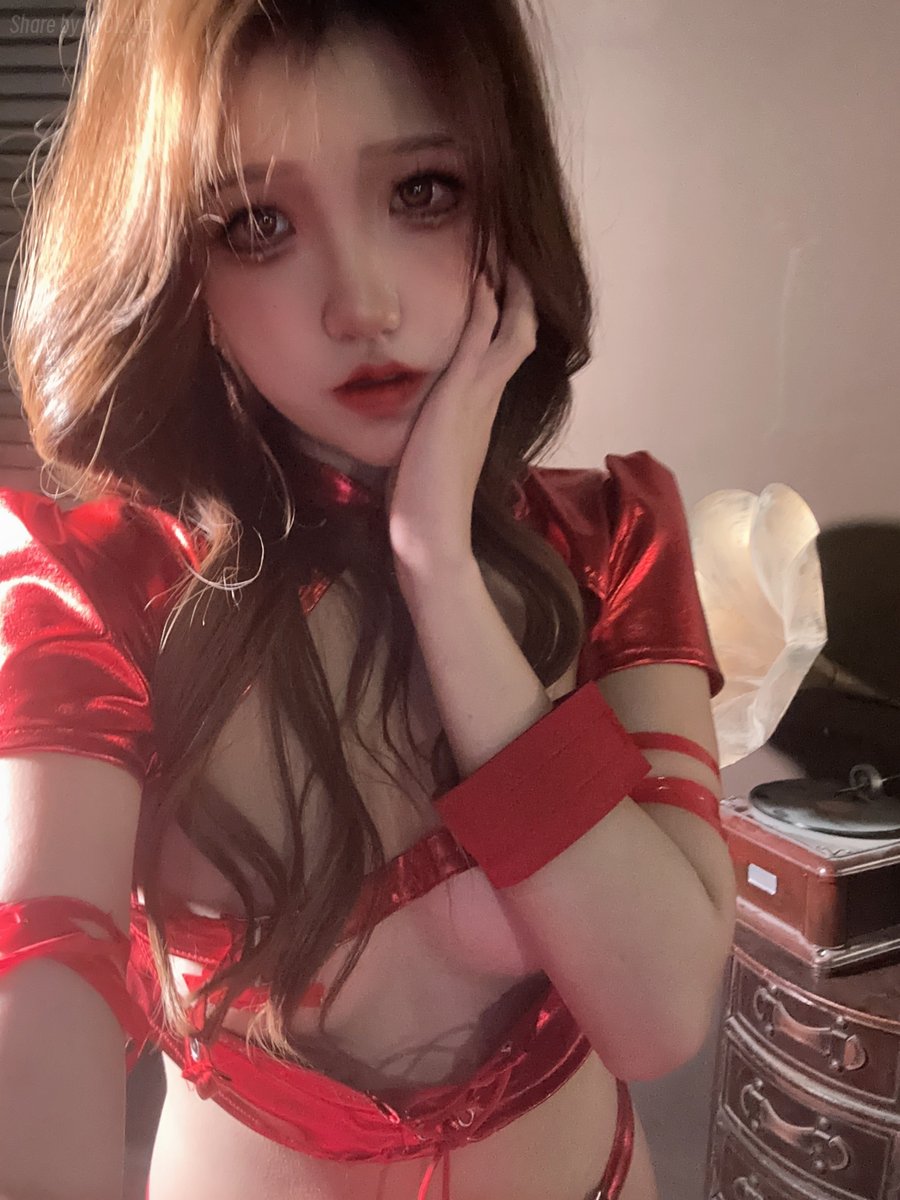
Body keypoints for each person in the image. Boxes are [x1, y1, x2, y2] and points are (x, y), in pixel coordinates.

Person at [0, 1, 738, 1198]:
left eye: (423, 192)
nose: (362, 304)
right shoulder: (100, 589)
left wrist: (440, 569)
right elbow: (42, 981)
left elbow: (656, 1014)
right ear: (178, 263)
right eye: (257, 223)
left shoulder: (613, 539)